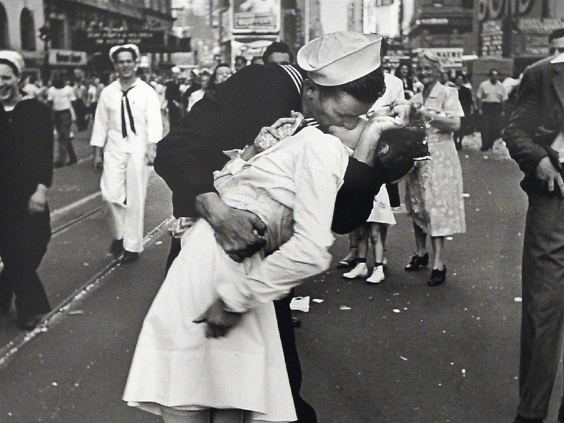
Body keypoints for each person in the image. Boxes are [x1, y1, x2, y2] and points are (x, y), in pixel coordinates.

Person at [125, 31, 395, 423]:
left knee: (259, 393)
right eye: (344, 115)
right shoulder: (264, 84)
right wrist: (219, 213)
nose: (345, 126)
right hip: (212, 258)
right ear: (315, 91)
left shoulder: (331, 131)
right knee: (209, 393)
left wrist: (368, 152)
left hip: (261, 270)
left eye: (358, 118)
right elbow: (175, 148)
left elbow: (343, 217)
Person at [502, 28, 564, 423]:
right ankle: (532, 412)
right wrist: (539, 159)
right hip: (554, 201)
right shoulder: (543, 74)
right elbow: (515, 131)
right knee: (543, 311)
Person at [336, 48, 407, 278]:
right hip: (353, 144)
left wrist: (396, 111)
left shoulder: (394, 83)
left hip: (381, 149)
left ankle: (379, 256)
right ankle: (355, 252)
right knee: (352, 198)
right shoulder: (351, 80)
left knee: (378, 210)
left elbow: (400, 114)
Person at [90, 44, 163, 264]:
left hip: (138, 150)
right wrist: (97, 152)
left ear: (135, 63)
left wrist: (152, 147)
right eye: (121, 62)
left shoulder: (146, 92)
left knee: (136, 198)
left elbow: (154, 122)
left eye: (129, 61)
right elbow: (100, 123)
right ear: (115, 65)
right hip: (114, 148)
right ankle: (119, 235)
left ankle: (131, 246)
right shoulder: (108, 93)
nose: (125, 66)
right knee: (110, 195)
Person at [0, 51, 53, 331]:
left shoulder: (37, 111)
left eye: (5, 77)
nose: (0, 83)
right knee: (13, 251)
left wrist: (41, 189)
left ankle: (5, 284)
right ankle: (28, 308)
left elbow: (45, 153)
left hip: (29, 193)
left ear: (18, 78)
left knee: (36, 244)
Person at [403, 50, 466, 287]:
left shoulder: (448, 93)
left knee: (436, 206)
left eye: (428, 69)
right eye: (420, 68)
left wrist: (426, 114)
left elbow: (455, 123)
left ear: (438, 70)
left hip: (440, 155)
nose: (423, 72)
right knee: (418, 205)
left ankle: (439, 263)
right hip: (418, 155)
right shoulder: (416, 95)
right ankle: (421, 253)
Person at [48, 71, 77, 168]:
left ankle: (60, 160)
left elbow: (73, 103)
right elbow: (50, 103)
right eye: (55, 78)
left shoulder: (68, 89)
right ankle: (72, 157)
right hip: (56, 113)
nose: (57, 79)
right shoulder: (51, 90)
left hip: (65, 113)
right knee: (64, 136)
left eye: (59, 77)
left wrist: (75, 115)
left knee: (62, 136)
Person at [476, 68, 508, 151]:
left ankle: (490, 144)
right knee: (485, 126)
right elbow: (479, 97)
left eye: (496, 75)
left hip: (496, 107)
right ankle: (485, 145)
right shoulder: (483, 85)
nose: (494, 77)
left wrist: (503, 110)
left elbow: (504, 99)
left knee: (495, 127)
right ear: (490, 76)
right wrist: (479, 109)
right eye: (493, 75)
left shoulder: (501, 86)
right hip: (487, 106)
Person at [453, 72, 474, 150]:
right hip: (454, 109)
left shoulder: (466, 90)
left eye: (461, 80)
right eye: (458, 79)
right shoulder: (452, 90)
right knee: (455, 125)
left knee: (463, 126)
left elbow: (470, 100)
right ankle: (455, 140)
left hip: (464, 109)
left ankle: (460, 141)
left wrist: (471, 109)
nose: (459, 81)